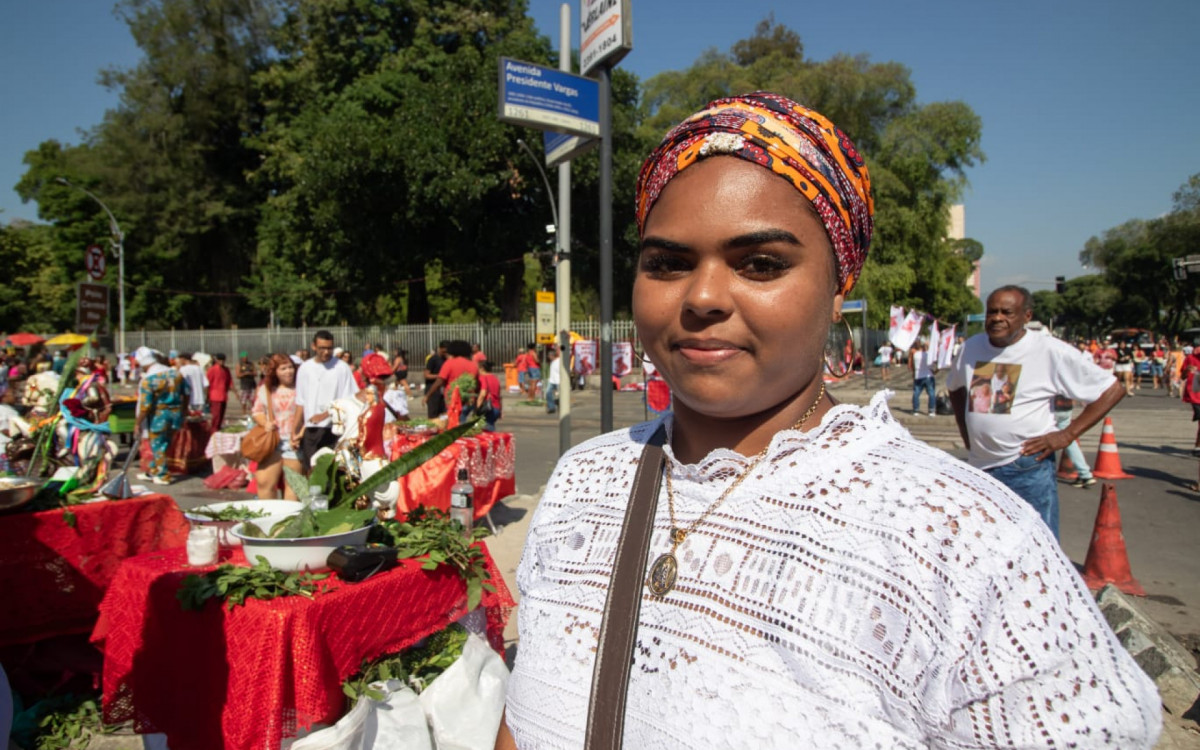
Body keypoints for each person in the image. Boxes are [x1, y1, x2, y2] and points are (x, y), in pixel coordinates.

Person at [498, 92, 1159, 749]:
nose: (701, 297)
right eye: (666, 263)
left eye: (760, 264)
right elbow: (526, 714)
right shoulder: (584, 480)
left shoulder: (968, 544)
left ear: (841, 280)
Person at [947, 287, 1126, 539]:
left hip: (1026, 468)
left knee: (1037, 547)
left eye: (1007, 312)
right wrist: (967, 434)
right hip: (980, 469)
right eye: (992, 312)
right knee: (989, 546)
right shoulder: (971, 348)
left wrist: (1067, 435)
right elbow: (955, 389)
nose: (997, 318)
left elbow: (1112, 389)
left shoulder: (1050, 350)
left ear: (1026, 316)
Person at [292, 330, 357, 473]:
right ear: (314, 346)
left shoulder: (341, 368)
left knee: (333, 472)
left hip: (334, 429)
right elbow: (300, 402)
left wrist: (324, 415)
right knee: (312, 473)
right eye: (322, 348)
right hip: (311, 430)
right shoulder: (305, 368)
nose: (326, 352)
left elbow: (348, 400)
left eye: (329, 348)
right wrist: (294, 430)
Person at [134, 349, 187, 486]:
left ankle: (162, 475)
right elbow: (186, 393)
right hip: (175, 414)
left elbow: (145, 406)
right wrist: (184, 411)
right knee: (165, 443)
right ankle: (153, 469)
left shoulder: (149, 380)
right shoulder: (175, 373)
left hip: (159, 416)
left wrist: (137, 423)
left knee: (157, 444)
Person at [251, 354, 301, 500]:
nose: (288, 371)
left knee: (293, 486)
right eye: (283, 368)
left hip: (294, 442)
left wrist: (301, 432)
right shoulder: (266, 390)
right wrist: (265, 422)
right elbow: (257, 411)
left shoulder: (301, 388)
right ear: (275, 371)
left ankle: (289, 520)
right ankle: (270, 517)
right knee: (264, 483)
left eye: (290, 367)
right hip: (272, 442)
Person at [423, 340, 478, 419]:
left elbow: (439, 381)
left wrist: (428, 395)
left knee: (453, 424)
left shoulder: (449, 363)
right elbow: (477, 384)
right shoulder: (473, 365)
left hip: (453, 400)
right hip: (468, 400)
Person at [1053, 395, 1096, 488]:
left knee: (1038, 437)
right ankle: (1085, 474)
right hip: (1065, 406)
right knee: (1069, 441)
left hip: (1050, 407)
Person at [1180, 345, 1200, 460]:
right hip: (1195, 394)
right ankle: (1198, 446)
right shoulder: (1191, 358)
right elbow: (1182, 376)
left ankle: (1197, 445)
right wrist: (1187, 370)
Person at [908, 339, 936, 416]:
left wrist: (913, 373)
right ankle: (931, 411)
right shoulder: (928, 355)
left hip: (918, 376)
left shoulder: (915, 354)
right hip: (928, 375)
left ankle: (916, 410)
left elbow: (911, 366)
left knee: (916, 393)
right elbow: (933, 363)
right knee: (931, 393)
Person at [423, 341, 449, 419]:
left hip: (442, 389)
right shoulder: (433, 359)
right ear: (440, 349)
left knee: (443, 413)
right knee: (433, 413)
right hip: (432, 388)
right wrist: (440, 376)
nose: (445, 353)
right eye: (444, 351)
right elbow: (426, 375)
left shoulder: (447, 360)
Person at [206, 353, 232, 432]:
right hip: (214, 396)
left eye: (223, 360)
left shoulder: (226, 370)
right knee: (216, 415)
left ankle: (218, 428)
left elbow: (229, 382)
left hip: (223, 395)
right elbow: (207, 383)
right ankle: (213, 430)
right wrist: (207, 396)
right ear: (216, 360)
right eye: (220, 360)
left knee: (221, 415)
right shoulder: (212, 369)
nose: (222, 362)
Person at [475, 360, 502, 432]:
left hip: (487, 408)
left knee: (484, 430)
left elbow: (483, 394)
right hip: (496, 408)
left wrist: (477, 409)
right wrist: (500, 411)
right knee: (491, 427)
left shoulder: (483, 378)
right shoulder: (495, 378)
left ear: (482, 368)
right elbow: (499, 396)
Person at [544, 346, 560, 414]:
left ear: (552, 355)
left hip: (559, 381)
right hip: (552, 381)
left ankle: (562, 407)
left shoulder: (559, 361)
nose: (548, 357)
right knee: (548, 393)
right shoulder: (552, 362)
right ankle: (551, 407)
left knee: (561, 395)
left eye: (549, 356)